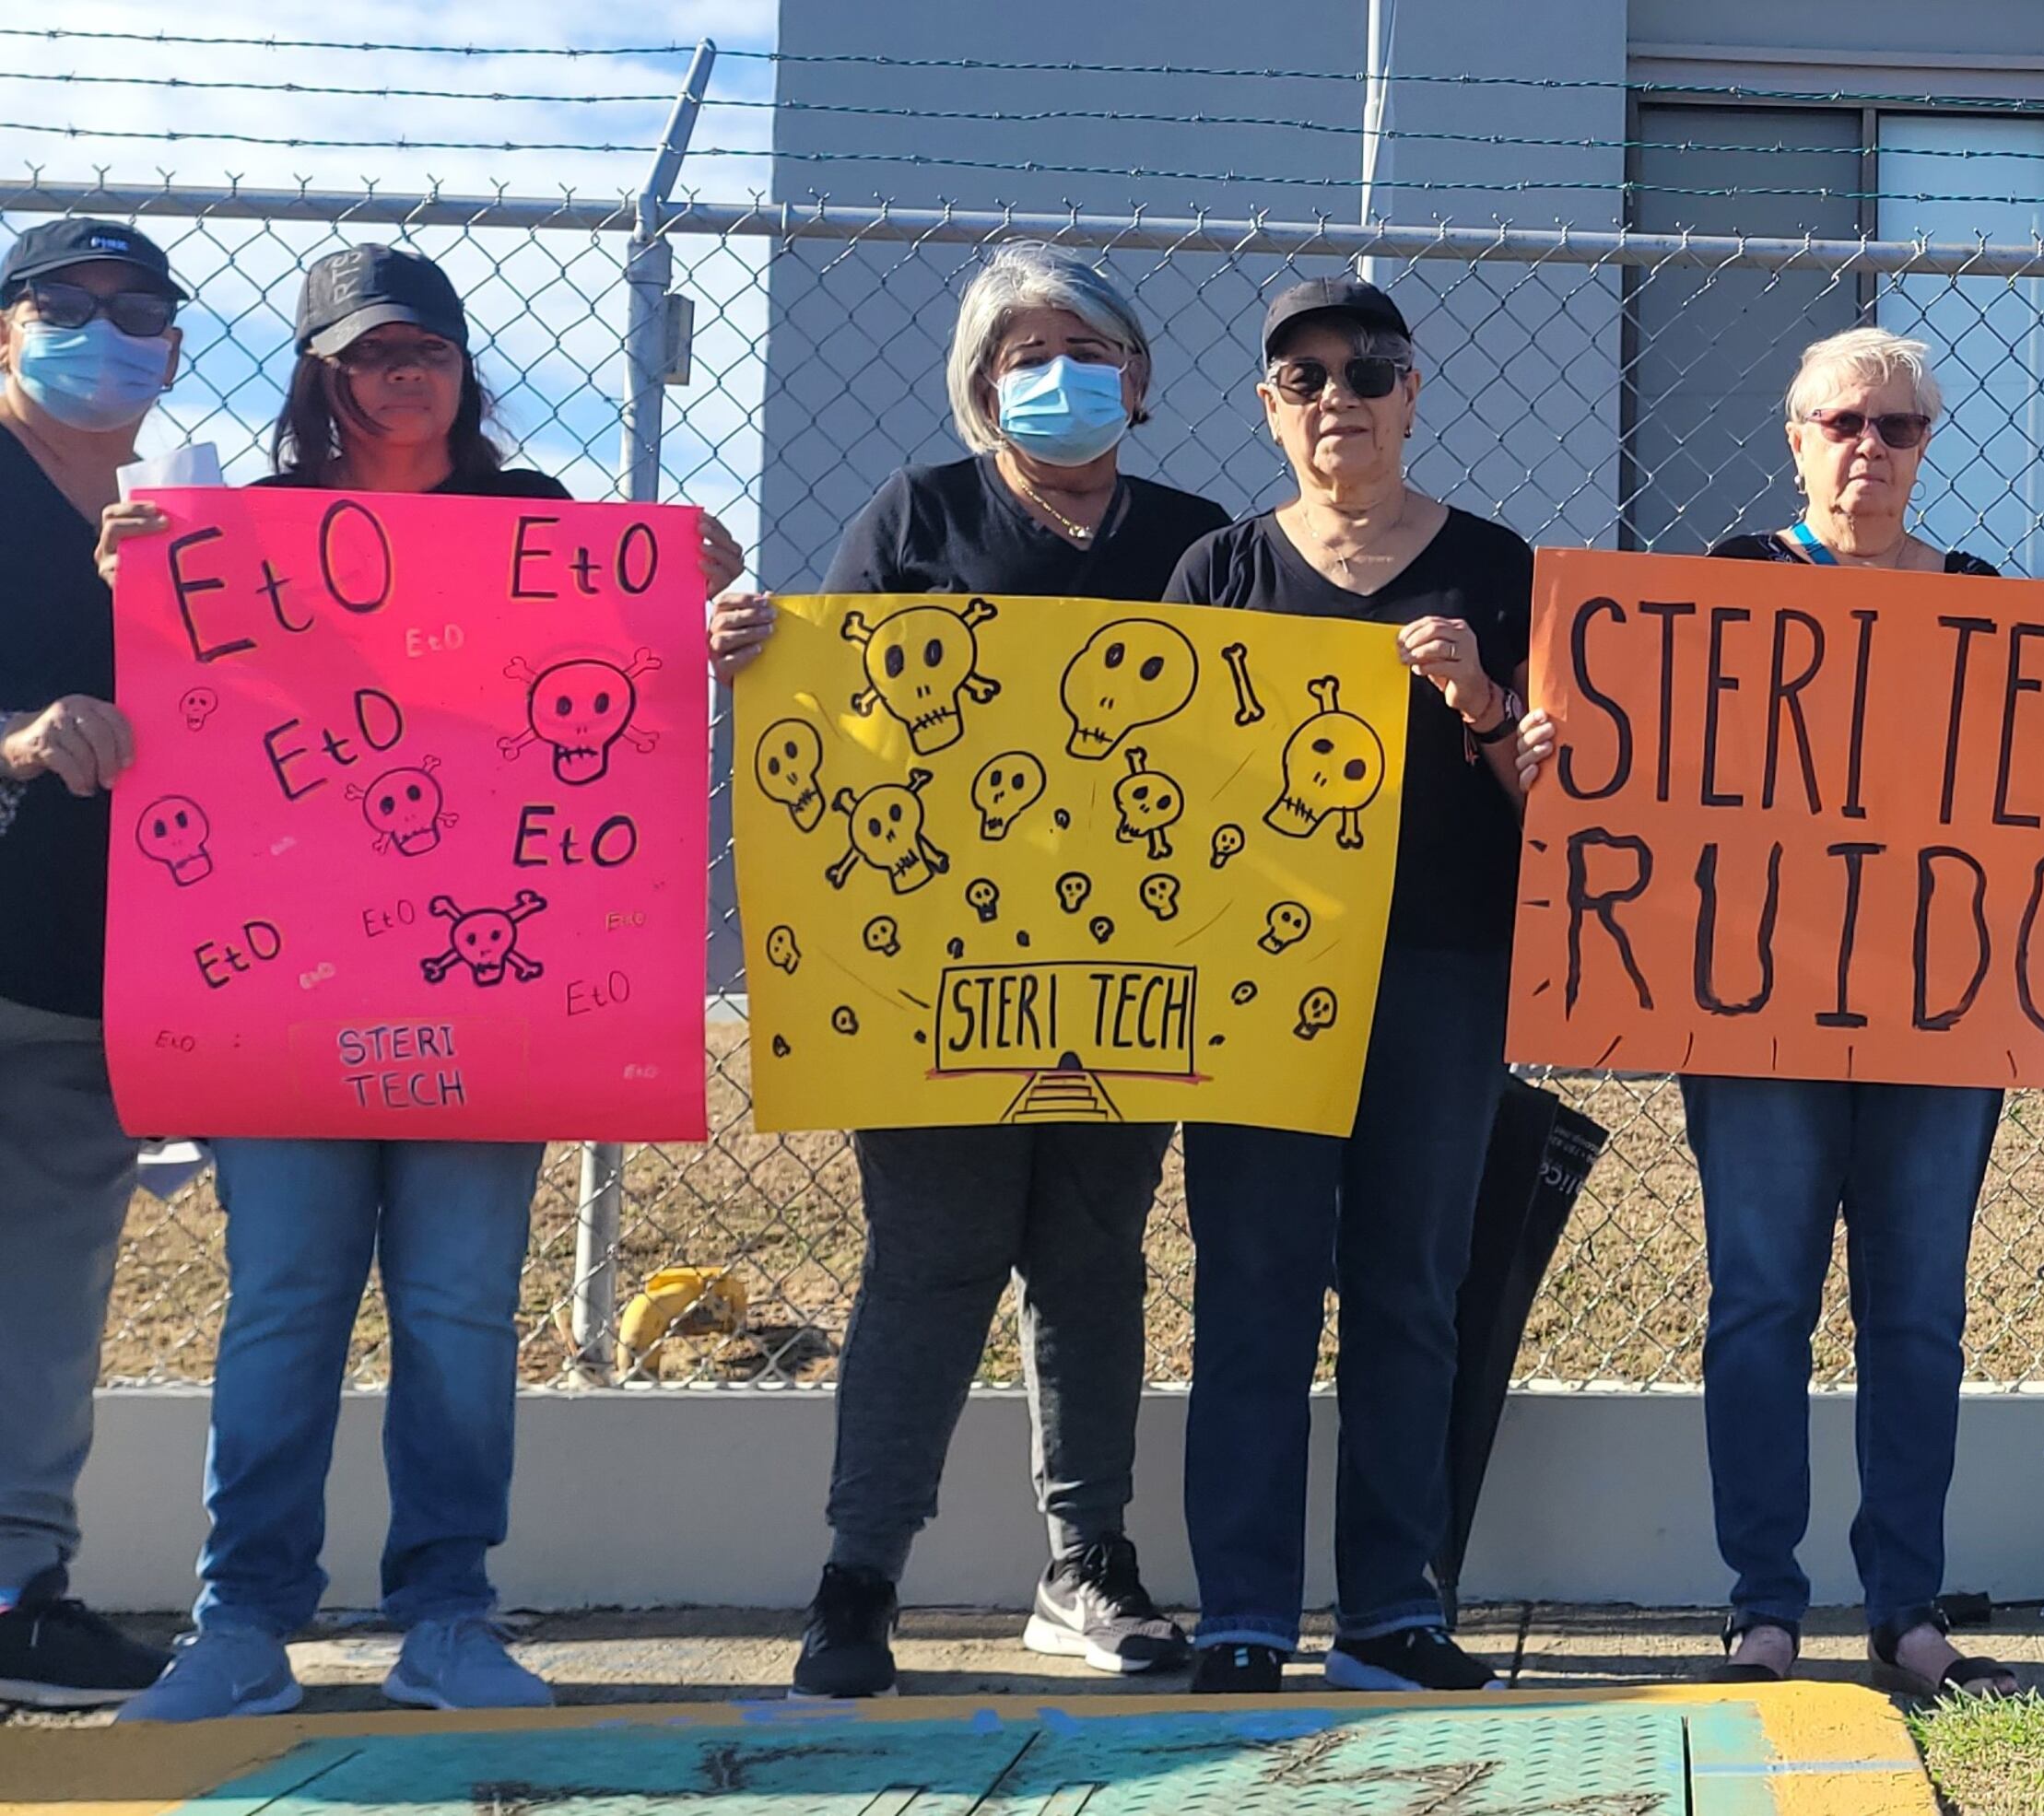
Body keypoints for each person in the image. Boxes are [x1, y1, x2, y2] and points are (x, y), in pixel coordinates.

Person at [107, 245, 746, 1721]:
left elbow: (629, 694)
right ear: (321, 375)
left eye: (429, 350)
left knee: (458, 1308)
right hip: (285, 1001)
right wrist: (131, 576)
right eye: (369, 352)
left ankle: (448, 1615)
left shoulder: (544, 526)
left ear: (465, 369)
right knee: (284, 1303)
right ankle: (243, 1623)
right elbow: (181, 709)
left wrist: (696, 596)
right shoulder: (238, 530)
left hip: (495, 997)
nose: (405, 375)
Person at [708, 243, 1226, 1699]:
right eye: (1022, 354)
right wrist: (752, 653)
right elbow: (836, 737)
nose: (1057, 375)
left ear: (1137, 372)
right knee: (931, 1264)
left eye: (1087, 346)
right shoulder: (916, 514)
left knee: (1091, 1266)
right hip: (935, 979)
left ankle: (1088, 1567)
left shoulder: (1199, 538)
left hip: (1132, 974)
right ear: (980, 384)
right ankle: (860, 1578)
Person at [1514, 328, 2018, 1696]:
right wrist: (1569, 749)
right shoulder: (1720, 591)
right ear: (1793, 436)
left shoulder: (1988, 604)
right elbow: (1640, 762)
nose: (1870, 448)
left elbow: (2040, 797)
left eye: (1898, 428)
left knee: (1918, 1317)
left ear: (1927, 447)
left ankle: (1908, 1605)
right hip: (1757, 1018)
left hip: (1937, 1018)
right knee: (1760, 1308)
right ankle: (1765, 1601)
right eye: (1843, 422)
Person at [1160, 276, 1527, 1696]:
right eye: (1305, 378)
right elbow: (1162, 798)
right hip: (1257, 983)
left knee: (1409, 1290)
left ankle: (1391, 1608)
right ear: (1269, 408)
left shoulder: (1495, 567)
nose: (1339, 400)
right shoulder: (1221, 575)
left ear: (1413, 393)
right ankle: (1242, 1613)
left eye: (1368, 373)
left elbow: (1561, 802)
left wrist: (1485, 705)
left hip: (1442, 970)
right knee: (1251, 1284)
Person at [0, 218, 192, 1710]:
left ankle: (18, 1592)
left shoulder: (175, 527)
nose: (101, 329)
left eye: (136, 309)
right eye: (61, 304)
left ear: (177, 347)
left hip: (82, 980)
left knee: (47, 1305)